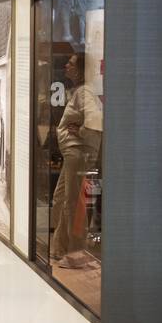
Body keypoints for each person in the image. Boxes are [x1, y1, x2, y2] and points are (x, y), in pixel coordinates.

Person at [49, 52, 102, 267]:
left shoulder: (85, 92)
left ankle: (76, 253)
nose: (66, 67)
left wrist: (81, 132)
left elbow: (95, 121)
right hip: (73, 154)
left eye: (71, 64)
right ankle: (60, 248)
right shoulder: (81, 91)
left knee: (72, 203)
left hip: (77, 154)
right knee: (61, 198)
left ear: (80, 69)